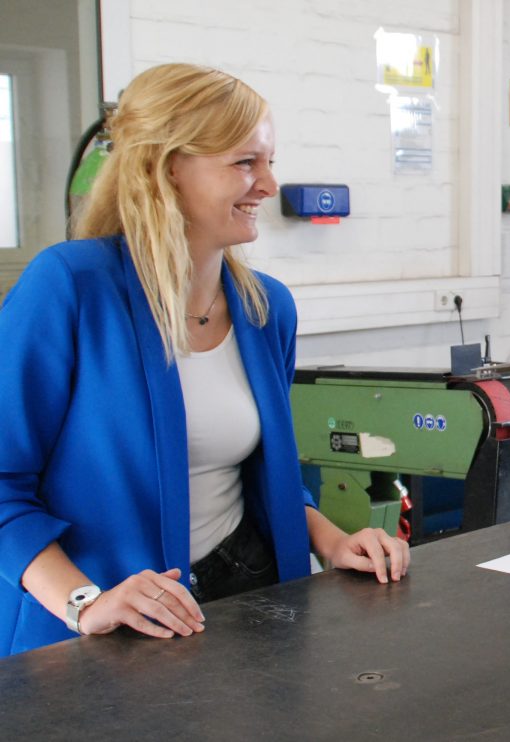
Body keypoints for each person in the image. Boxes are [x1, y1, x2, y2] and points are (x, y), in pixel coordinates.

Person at [0, 63, 410, 657]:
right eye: (245, 163)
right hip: (103, 626)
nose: (268, 185)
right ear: (166, 168)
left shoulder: (266, 307)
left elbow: (268, 479)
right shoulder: (68, 288)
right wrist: (84, 603)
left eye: (269, 161)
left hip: (245, 598)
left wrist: (333, 541)